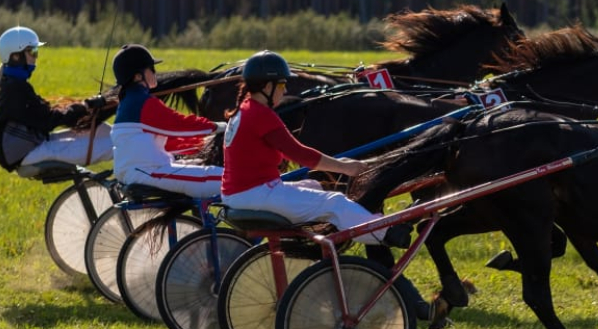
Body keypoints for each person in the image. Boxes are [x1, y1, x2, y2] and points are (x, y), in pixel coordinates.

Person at [220, 50, 410, 248]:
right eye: (282, 84)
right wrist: (345, 167)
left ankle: (314, 246)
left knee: (315, 186)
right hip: (255, 195)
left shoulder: (246, 108)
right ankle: (386, 233)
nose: (285, 90)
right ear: (268, 86)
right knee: (335, 202)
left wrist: (340, 163)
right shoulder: (261, 115)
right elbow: (301, 155)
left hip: (245, 194)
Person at [0, 26, 112, 173]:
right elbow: (48, 120)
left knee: (102, 131)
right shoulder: (15, 88)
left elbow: (44, 114)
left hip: (31, 146)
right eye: (33, 52)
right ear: (16, 56)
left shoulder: (12, 84)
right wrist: (86, 105)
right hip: (27, 153)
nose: (36, 57)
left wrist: (85, 106)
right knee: (113, 146)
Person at [109, 44, 226, 198]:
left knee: (201, 165)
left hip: (139, 170)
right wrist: (218, 126)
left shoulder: (128, 102)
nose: (155, 73)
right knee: (230, 179)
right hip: (147, 172)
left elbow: (164, 142)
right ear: (137, 76)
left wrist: (200, 144)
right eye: (151, 68)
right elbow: (179, 124)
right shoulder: (143, 103)